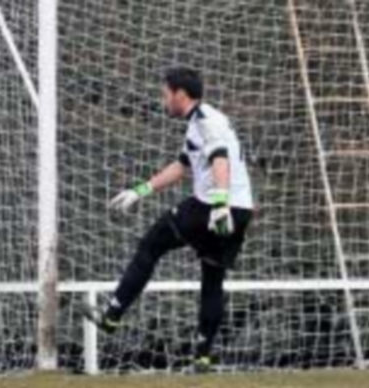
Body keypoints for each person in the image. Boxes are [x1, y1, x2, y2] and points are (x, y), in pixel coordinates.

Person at [80, 66, 254, 372]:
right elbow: (182, 166)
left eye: (165, 94)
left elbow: (220, 159)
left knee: (151, 244)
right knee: (212, 279)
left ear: (180, 95)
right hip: (240, 210)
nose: (164, 101)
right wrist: (140, 191)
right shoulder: (204, 121)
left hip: (215, 205)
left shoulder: (205, 122)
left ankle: (112, 315)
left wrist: (220, 202)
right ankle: (202, 356)